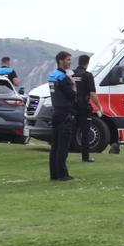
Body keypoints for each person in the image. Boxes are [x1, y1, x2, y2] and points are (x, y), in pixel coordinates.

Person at [48, 51, 76, 181]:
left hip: (56, 112)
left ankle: (54, 173)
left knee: (55, 145)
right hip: (65, 113)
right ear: (61, 61)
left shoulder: (52, 76)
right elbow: (72, 95)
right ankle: (62, 174)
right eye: (68, 60)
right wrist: (73, 84)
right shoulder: (63, 78)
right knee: (63, 146)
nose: (70, 62)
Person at [71, 54, 103, 164]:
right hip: (84, 107)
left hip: (72, 107)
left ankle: (63, 154)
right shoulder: (88, 75)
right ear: (87, 63)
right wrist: (99, 106)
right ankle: (85, 156)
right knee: (85, 133)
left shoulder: (72, 74)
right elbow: (92, 93)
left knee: (70, 130)